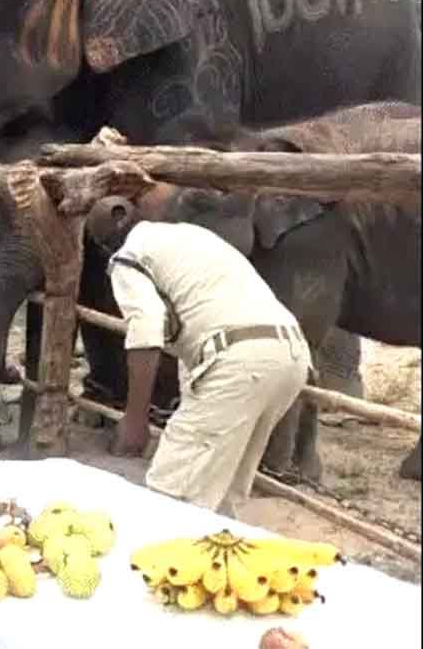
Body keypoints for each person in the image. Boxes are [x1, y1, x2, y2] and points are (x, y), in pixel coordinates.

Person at [88, 196, 311, 518]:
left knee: (170, 493)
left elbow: (147, 328)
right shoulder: (193, 238)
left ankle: (166, 566)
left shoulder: (129, 255)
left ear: (117, 219)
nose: (107, 253)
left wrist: (135, 418)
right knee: (222, 497)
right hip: (289, 355)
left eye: (102, 242)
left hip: (239, 361)